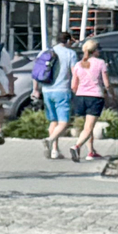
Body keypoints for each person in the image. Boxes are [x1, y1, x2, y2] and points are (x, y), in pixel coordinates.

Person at [41, 29, 79, 160]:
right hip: (62, 90)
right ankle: (50, 140)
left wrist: (35, 89)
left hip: (46, 90)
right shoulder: (70, 54)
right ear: (68, 41)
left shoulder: (45, 51)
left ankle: (54, 151)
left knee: (53, 121)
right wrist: (75, 87)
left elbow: (36, 72)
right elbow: (75, 72)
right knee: (64, 122)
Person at [69, 38, 109, 163]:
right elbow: (106, 83)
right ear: (95, 51)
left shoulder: (78, 64)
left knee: (87, 126)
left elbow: (73, 85)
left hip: (81, 96)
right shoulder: (101, 63)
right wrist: (111, 94)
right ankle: (76, 146)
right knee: (88, 127)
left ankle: (91, 151)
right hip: (95, 96)